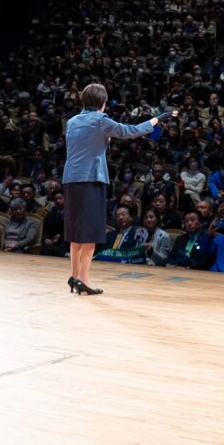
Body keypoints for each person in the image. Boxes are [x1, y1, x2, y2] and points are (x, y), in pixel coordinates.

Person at [62, 83, 174, 295]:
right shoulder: (100, 120)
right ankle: (84, 280)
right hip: (91, 178)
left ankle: (75, 276)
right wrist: (157, 119)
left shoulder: (72, 121)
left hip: (70, 179)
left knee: (76, 231)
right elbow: (131, 131)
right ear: (103, 103)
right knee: (90, 232)